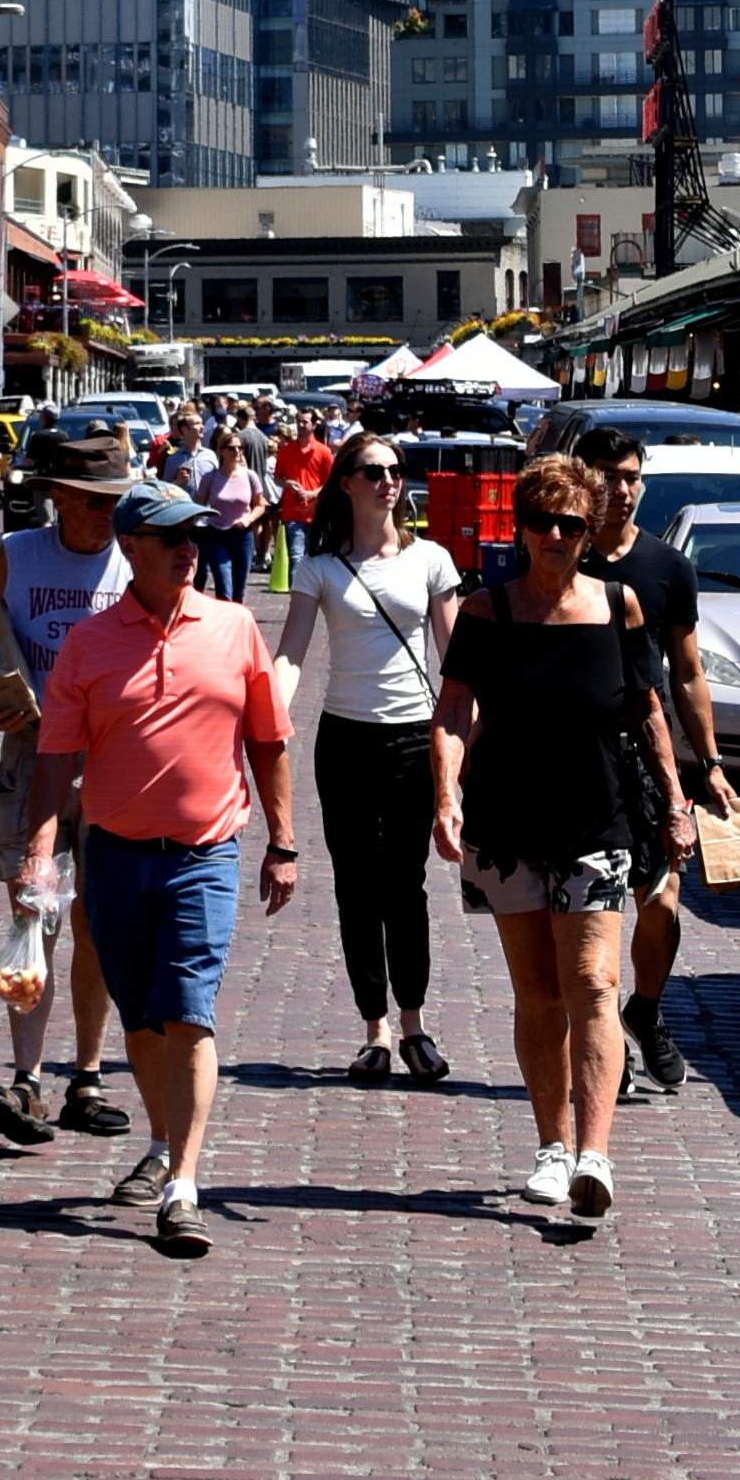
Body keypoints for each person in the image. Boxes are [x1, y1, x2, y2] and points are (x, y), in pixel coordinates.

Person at [21, 479, 298, 1258]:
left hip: (205, 854)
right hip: (113, 856)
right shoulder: (88, 642)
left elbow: (267, 740)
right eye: (171, 536)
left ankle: (183, 1182)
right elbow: (55, 756)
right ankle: (160, 1137)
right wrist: (40, 850)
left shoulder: (234, 626)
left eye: (193, 535)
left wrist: (282, 840)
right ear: (130, 546)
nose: (189, 549)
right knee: (140, 1018)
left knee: (187, 1010)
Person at [430, 451, 691, 1225]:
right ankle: (550, 1145)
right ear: (520, 527)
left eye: (569, 523)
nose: (553, 535)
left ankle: (593, 1153)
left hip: (596, 820)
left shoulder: (618, 606)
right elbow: (453, 711)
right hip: (506, 824)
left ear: (587, 530)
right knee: (539, 992)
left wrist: (675, 799)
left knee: (594, 982)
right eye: (540, 520)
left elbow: (647, 708)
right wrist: (444, 794)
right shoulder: (486, 612)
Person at [0, 426, 137, 1153]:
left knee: (96, 922)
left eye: (115, 500)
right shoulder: (19, 553)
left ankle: (87, 1078)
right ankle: (26, 1077)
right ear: (59, 497)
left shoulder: (137, 558)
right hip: (32, 758)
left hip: (112, 765)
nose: (108, 513)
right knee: (32, 915)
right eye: (95, 500)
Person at [275, 432, 461, 1084]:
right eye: (373, 470)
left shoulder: (430, 559)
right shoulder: (320, 568)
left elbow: (456, 661)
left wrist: (465, 751)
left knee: (405, 884)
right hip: (345, 739)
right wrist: (269, 717)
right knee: (355, 885)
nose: (388, 480)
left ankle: (413, 1024)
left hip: (413, 737)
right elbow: (291, 653)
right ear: (346, 482)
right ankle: (374, 1029)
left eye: (395, 469)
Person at [577, 424, 738, 1093]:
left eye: (631, 477)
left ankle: (644, 1008)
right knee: (590, 912)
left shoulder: (668, 566)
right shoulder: (561, 552)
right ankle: (603, 1037)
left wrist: (711, 761)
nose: (621, 489)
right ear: (582, 477)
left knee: (663, 902)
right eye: (608, 476)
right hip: (578, 757)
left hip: (647, 755)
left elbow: (688, 671)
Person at [195, 427, 264, 601]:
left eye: (240, 448)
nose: (237, 451)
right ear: (221, 451)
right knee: (224, 587)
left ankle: (237, 618)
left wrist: (248, 519)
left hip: (243, 537)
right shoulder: (210, 478)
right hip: (216, 536)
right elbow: (198, 505)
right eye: (232, 448)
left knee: (238, 591)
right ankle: (225, 617)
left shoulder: (250, 476)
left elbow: (260, 505)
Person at [271, 416, 334, 568]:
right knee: (296, 558)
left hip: (316, 514)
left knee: (315, 558)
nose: (301, 425)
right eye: (298, 421)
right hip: (292, 514)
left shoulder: (324, 452)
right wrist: (287, 483)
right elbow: (277, 478)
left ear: (314, 425)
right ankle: (296, 585)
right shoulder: (286, 451)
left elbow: (330, 482)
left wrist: (312, 494)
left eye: (305, 422)